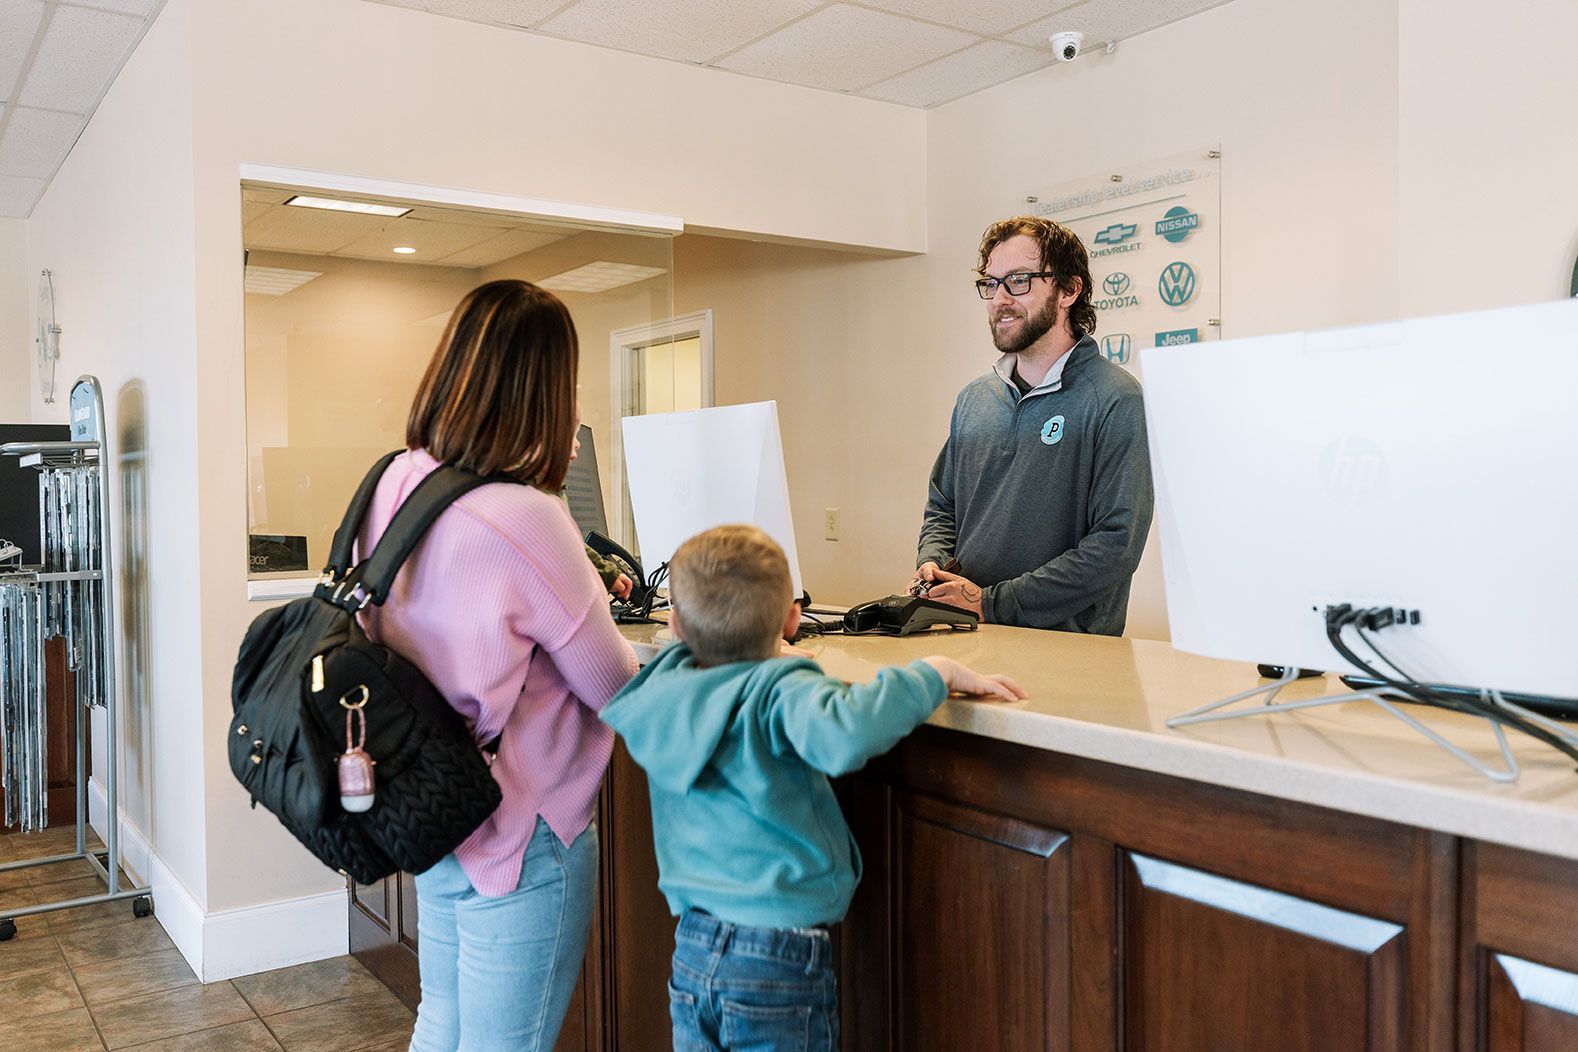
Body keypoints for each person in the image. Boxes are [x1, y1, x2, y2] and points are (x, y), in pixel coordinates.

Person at [600, 524, 1025, 1052]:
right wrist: (933, 671)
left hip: (692, 950)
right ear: (794, 620)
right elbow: (848, 732)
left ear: (678, 626)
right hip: (776, 957)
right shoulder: (781, 688)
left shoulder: (664, 688)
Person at [356, 279, 639, 1052]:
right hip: (523, 833)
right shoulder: (527, 516)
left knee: (441, 1021)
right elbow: (617, 688)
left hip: (431, 807)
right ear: (545, 390)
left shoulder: (393, 482)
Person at [913, 215, 1154, 634]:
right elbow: (943, 505)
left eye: (1018, 280)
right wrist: (932, 562)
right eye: (990, 284)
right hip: (969, 634)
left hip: (1068, 657)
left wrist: (991, 603)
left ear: (1069, 290)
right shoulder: (975, 398)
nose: (999, 298)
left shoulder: (1115, 399)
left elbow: (1116, 545)